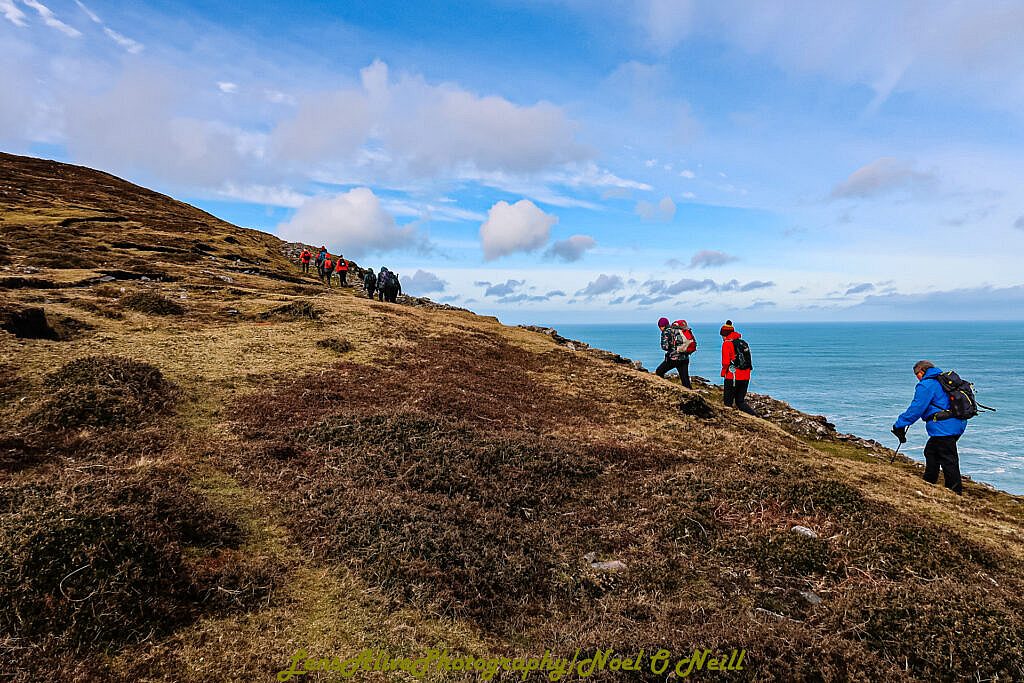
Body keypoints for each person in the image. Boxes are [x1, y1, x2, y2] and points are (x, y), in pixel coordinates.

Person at [892, 360, 967, 495]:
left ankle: (955, 492)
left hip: (944, 427)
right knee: (931, 451)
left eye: (917, 375)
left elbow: (916, 408)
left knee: (948, 459)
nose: (917, 378)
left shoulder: (927, 385)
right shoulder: (943, 380)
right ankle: (929, 481)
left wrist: (899, 424)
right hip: (957, 423)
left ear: (922, 371)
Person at [720, 320, 758, 416]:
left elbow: (725, 362)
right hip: (745, 376)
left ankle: (728, 423)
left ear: (724, 334)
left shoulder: (727, 344)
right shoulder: (742, 342)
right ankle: (756, 417)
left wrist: (723, 373)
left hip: (732, 377)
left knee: (728, 403)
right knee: (740, 401)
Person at [655, 317, 693, 389]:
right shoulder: (677, 329)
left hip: (673, 359)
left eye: (659, 327)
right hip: (685, 358)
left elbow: (665, 347)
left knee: (659, 372)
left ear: (661, 326)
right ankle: (692, 397)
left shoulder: (666, 332)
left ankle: (663, 389)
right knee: (685, 380)